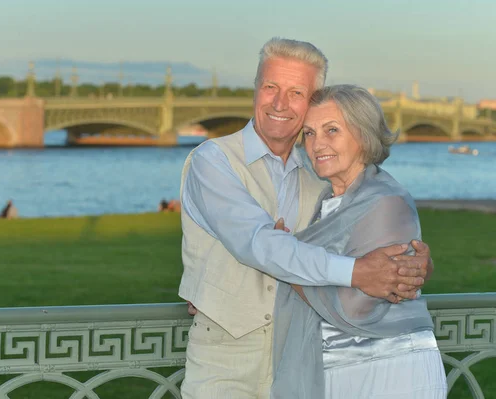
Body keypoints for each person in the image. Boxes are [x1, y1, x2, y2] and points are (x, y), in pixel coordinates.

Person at [179, 37, 432, 399]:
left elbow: (367, 225)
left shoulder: (320, 174)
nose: (280, 103)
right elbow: (257, 244)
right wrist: (357, 270)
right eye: (270, 87)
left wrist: (413, 262)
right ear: (255, 89)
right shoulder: (213, 161)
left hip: (306, 356)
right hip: (227, 360)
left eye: (296, 92)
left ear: (311, 101)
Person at [271, 85, 447, 398]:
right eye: (309, 133)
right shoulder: (325, 204)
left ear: (363, 135)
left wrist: (286, 260)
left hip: (393, 369)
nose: (316, 144)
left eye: (332, 130)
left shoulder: (386, 202)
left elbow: (355, 309)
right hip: (337, 370)